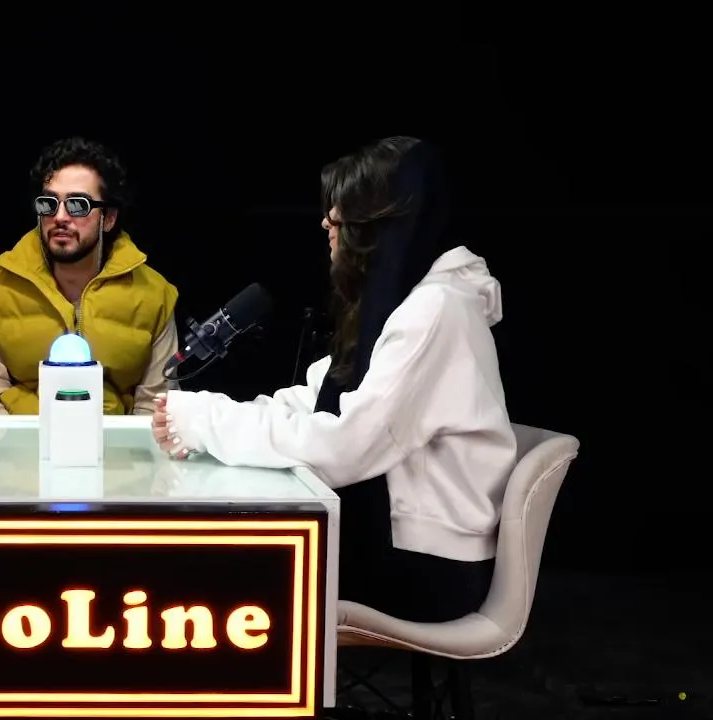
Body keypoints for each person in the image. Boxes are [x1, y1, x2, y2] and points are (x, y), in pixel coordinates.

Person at [152, 137, 516, 623]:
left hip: (429, 566)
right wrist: (206, 418)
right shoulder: (405, 302)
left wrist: (207, 422)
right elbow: (315, 398)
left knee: (221, 573)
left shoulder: (436, 310)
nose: (327, 221)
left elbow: (346, 447)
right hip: (393, 539)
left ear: (379, 220)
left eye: (343, 209)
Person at [0, 137, 180, 416]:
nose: (60, 217)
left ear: (109, 218)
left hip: (115, 442)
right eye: (49, 203)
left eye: (78, 204)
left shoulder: (154, 294)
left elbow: (155, 408)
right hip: (19, 441)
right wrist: (23, 446)